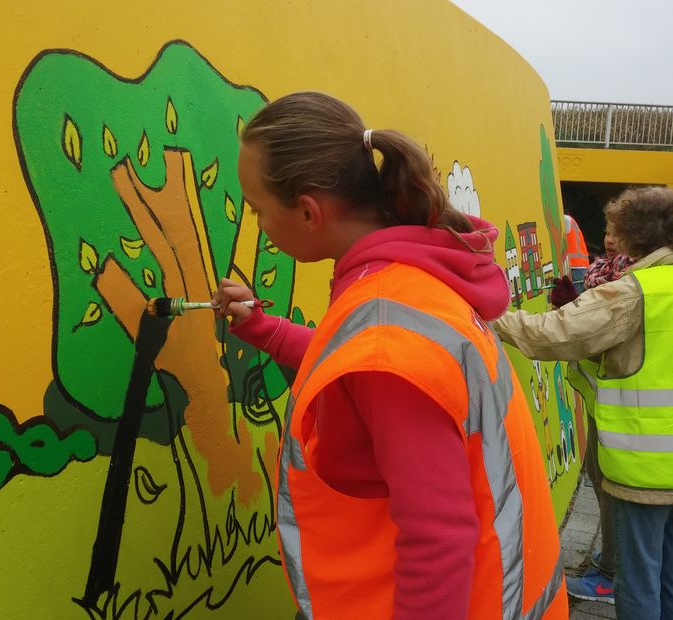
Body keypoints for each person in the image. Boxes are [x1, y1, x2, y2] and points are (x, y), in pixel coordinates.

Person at [213, 91, 567, 619]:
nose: (258, 225)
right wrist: (264, 329)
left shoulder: (385, 333)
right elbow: (360, 370)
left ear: (309, 212)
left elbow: (437, 537)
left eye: (259, 210)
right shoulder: (406, 280)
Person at [493, 186, 673, 620]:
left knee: (637, 577)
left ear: (637, 235)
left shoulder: (636, 291)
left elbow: (553, 334)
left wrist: (486, 312)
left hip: (643, 469)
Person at [545, 228, 637, 605]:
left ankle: (611, 578)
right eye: (609, 230)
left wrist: (568, 315)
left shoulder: (629, 284)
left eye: (621, 231)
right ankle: (619, 564)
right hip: (618, 406)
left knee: (610, 487)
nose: (612, 238)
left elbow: (592, 335)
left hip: (622, 408)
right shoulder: (609, 273)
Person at [563, 214, 591, 292]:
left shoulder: (565, 219)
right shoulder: (571, 221)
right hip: (580, 267)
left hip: (575, 268)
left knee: (575, 300)